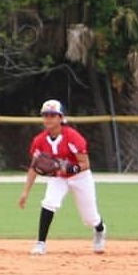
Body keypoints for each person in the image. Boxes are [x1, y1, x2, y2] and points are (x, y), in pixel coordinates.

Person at [18, 99, 107, 255]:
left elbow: (85, 164)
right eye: (45, 115)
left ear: (60, 118)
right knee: (49, 202)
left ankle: (99, 229)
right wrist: (25, 192)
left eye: (52, 115)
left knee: (89, 217)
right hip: (58, 177)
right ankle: (40, 243)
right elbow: (34, 167)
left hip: (80, 177)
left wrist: (71, 167)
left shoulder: (72, 137)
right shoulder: (39, 140)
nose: (48, 119)